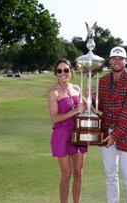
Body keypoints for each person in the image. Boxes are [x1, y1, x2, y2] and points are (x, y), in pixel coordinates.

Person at [97, 46, 127, 203]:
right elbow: (101, 107)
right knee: (110, 174)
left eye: (120, 58)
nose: (117, 61)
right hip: (106, 132)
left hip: (126, 133)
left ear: (126, 61)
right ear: (110, 61)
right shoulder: (103, 81)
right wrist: (90, 99)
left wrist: (114, 136)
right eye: (114, 58)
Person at [47, 58, 87, 203]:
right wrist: (75, 110)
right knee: (66, 174)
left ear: (71, 71)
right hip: (62, 135)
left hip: (78, 133)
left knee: (79, 173)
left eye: (65, 70)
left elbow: (86, 107)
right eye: (59, 70)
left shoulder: (76, 88)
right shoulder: (53, 92)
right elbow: (55, 118)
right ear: (56, 73)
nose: (63, 73)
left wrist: (90, 98)